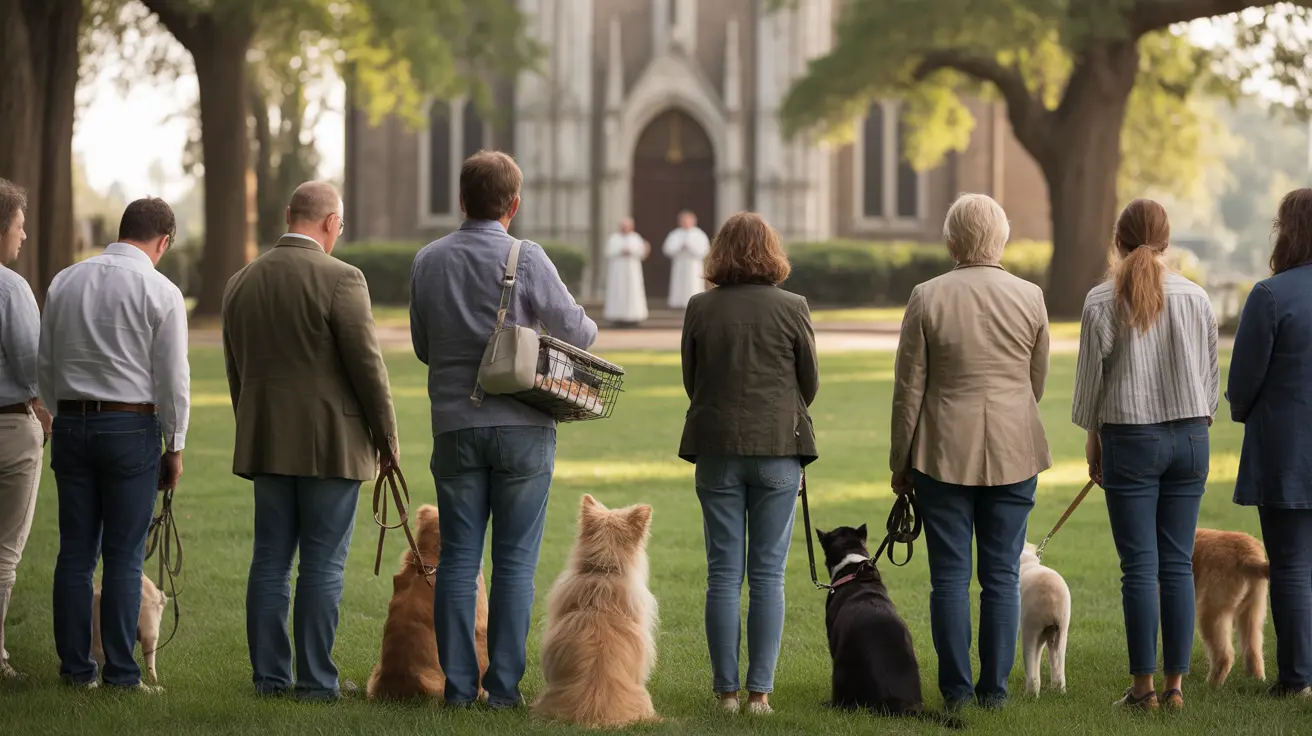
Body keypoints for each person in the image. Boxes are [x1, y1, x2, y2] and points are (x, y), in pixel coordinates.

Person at [409, 150, 596, 709]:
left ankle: (459, 690)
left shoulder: (427, 260)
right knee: (515, 562)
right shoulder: (529, 257)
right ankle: (504, 689)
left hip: (455, 427)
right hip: (522, 429)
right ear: (514, 205)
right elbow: (580, 333)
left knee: (459, 560)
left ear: (462, 200)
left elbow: (423, 346)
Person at [221, 181, 398, 700]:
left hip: (267, 440)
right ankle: (316, 681)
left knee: (270, 558)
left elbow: (238, 372)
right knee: (322, 563)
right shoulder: (342, 278)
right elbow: (368, 367)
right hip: (333, 445)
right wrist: (387, 437)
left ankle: (270, 678)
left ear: (288, 215)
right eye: (340, 226)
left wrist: (253, 422)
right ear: (330, 223)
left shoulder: (241, 282)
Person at [889, 193, 1050, 711]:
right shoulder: (1031, 297)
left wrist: (900, 463)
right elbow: (1036, 380)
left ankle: (957, 692)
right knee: (1002, 576)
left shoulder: (927, 296)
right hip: (1014, 448)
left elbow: (908, 389)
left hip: (940, 453)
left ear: (952, 241)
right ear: (1000, 240)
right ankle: (995, 694)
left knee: (950, 580)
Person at [1072, 198, 1218, 712]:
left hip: (1130, 438)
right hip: (1192, 439)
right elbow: (1210, 381)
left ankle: (1143, 689)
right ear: (1166, 240)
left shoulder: (1099, 300)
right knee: (1177, 564)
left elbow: (1091, 389)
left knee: (1139, 567)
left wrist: (1094, 442)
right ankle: (1176, 687)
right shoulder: (1197, 298)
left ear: (1118, 241)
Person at [39, 198, 189, 693]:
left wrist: (59, 416)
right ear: (163, 241)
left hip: (73, 425)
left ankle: (76, 669)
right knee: (124, 557)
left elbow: (46, 361)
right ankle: (123, 675)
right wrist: (177, 443)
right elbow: (173, 379)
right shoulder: (161, 290)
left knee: (76, 553)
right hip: (130, 427)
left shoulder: (65, 280)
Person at [679, 211, 817, 716]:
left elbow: (692, 380)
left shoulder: (699, 307)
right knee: (768, 576)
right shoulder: (794, 306)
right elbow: (810, 381)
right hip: (778, 448)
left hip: (716, 449)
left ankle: (726, 695)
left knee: (722, 575)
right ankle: (760, 694)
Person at [1227, 188, 1312, 699]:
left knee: (1292, 565)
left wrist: (1241, 411)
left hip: (1287, 450)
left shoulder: (1271, 294)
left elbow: (1243, 382)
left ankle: (1297, 678)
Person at [0, 178, 49, 680]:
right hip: (9, 428)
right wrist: (45, 411)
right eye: (18, 226)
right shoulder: (11, 288)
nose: (23, 236)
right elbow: (33, 367)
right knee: (4, 554)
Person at [603, 217, 649, 326]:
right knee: (618, 291)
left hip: (632, 269)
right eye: (623, 226)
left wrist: (633, 251)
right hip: (618, 270)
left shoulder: (636, 238)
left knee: (633, 291)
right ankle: (616, 317)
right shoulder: (614, 238)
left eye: (627, 226)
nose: (625, 228)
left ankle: (634, 317)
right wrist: (620, 251)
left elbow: (642, 252)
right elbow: (608, 251)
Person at [663, 210, 709, 310]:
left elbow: (704, 249)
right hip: (680, 263)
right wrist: (679, 247)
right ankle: (678, 303)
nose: (686, 223)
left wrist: (691, 247)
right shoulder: (675, 234)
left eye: (688, 220)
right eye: (683, 221)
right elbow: (667, 248)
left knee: (693, 283)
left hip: (693, 264)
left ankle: (695, 302)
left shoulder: (699, 234)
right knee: (679, 284)